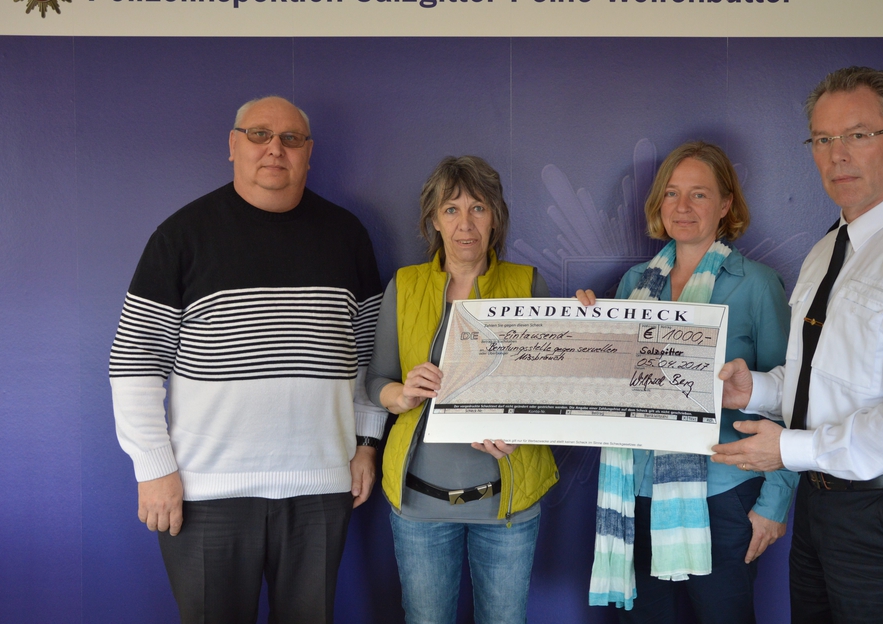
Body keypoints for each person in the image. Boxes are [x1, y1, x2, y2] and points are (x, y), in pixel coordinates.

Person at [711, 67, 883, 623]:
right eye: (822, 139)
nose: (836, 155)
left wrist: (789, 450)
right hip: (821, 504)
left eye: (858, 135)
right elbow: (820, 377)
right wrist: (756, 390)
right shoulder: (826, 251)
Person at [109, 96, 385, 623]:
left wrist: (367, 444)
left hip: (321, 487)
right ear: (233, 146)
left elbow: (369, 356)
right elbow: (135, 363)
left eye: (291, 138)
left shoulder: (347, 235)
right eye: (259, 134)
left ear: (308, 153)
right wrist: (153, 468)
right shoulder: (181, 236)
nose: (274, 148)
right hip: (206, 493)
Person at [580, 141, 797, 623]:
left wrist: (775, 503)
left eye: (699, 194)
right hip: (636, 491)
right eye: (672, 193)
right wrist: (585, 327)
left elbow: (792, 401)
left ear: (725, 205)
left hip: (724, 496)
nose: (682, 206)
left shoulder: (757, 284)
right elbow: (613, 384)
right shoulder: (634, 284)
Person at [366, 155, 558, 624]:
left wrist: (523, 429)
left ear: (495, 218)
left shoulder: (527, 283)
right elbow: (376, 381)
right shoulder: (405, 285)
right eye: (451, 209)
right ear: (434, 219)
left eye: (478, 208)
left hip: (507, 502)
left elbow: (552, 392)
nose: (465, 224)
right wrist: (402, 395)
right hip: (419, 505)